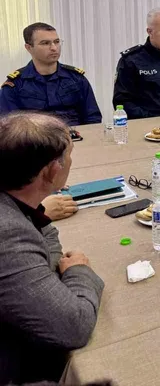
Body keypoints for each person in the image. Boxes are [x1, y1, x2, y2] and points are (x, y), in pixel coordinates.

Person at [0, 112, 104, 384]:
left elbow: (44, 234)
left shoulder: (15, 202)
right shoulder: (7, 234)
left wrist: (46, 265)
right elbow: (74, 326)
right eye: (69, 156)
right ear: (52, 171)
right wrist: (78, 271)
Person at [0, 23, 101, 126]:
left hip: (76, 134)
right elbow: (9, 126)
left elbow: (93, 118)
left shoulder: (76, 79)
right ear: (29, 48)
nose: (54, 48)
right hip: (35, 136)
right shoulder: (15, 85)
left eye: (56, 42)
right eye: (45, 43)